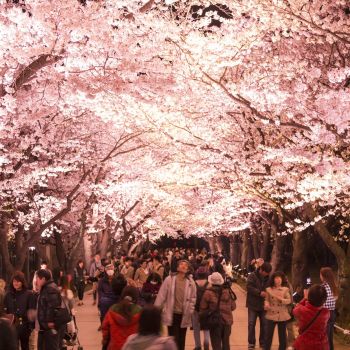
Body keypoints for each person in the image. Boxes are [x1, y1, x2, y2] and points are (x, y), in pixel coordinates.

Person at [155, 260, 197, 350]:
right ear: (177, 268)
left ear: (188, 269)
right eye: (181, 264)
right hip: (172, 314)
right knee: (173, 340)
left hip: (184, 315)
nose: (183, 266)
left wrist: (191, 309)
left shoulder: (191, 282)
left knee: (182, 340)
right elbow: (161, 295)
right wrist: (156, 310)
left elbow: (193, 298)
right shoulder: (169, 279)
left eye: (186, 265)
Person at [200, 272, 236, 350]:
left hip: (215, 322)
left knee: (216, 345)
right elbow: (233, 307)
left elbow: (203, 308)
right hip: (227, 322)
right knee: (226, 344)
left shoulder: (208, 293)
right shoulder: (227, 291)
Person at [102, 286, 142, 350]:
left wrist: (105, 341)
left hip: (114, 347)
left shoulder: (113, 309)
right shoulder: (140, 311)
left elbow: (105, 327)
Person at [4, 271, 35, 350]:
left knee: (25, 346)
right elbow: (5, 310)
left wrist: (30, 327)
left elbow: (31, 310)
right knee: (13, 347)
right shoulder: (8, 295)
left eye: (18, 281)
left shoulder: (29, 294)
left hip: (24, 326)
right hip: (12, 325)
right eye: (14, 281)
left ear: (22, 282)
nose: (16, 283)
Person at [293, 284, 330, 350]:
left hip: (304, 345)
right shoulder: (326, 313)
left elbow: (295, 310)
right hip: (321, 345)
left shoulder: (302, 310)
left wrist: (305, 298)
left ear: (310, 296)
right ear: (324, 299)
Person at [246, 261, 272, 349]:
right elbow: (249, 287)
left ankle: (263, 342)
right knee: (251, 323)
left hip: (263, 305)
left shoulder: (269, 278)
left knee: (265, 324)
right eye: (265, 273)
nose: (266, 275)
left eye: (268, 273)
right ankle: (251, 343)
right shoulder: (252, 276)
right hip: (252, 304)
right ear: (261, 270)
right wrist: (259, 293)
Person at [36, 268, 63, 350]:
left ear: (43, 279)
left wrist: (50, 322)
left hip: (49, 327)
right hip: (45, 326)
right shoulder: (47, 287)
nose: (36, 281)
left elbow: (53, 306)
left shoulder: (50, 289)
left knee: (50, 347)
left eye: (37, 278)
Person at [264, 271, 291, 350]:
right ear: (273, 279)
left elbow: (289, 300)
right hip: (271, 314)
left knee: (282, 336)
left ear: (282, 279)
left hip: (282, 314)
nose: (278, 280)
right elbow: (266, 300)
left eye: (280, 278)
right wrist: (266, 304)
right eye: (276, 278)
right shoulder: (268, 289)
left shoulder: (285, 289)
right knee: (268, 336)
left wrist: (282, 300)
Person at [320, 267, 337, 350]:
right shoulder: (334, 286)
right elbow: (336, 299)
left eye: (320, 274)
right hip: (332, 313)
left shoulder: (322, 287)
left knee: (324, 337)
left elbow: (320, 302)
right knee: (329, 336)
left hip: (324, 314)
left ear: (323, 276)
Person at [193, 266, 210, 350]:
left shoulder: (193, 283)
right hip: (206, 310)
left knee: (196, 328)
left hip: (195, 309)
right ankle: (206, 343)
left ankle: (197, 346)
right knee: (206, 327)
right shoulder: (209, 284)